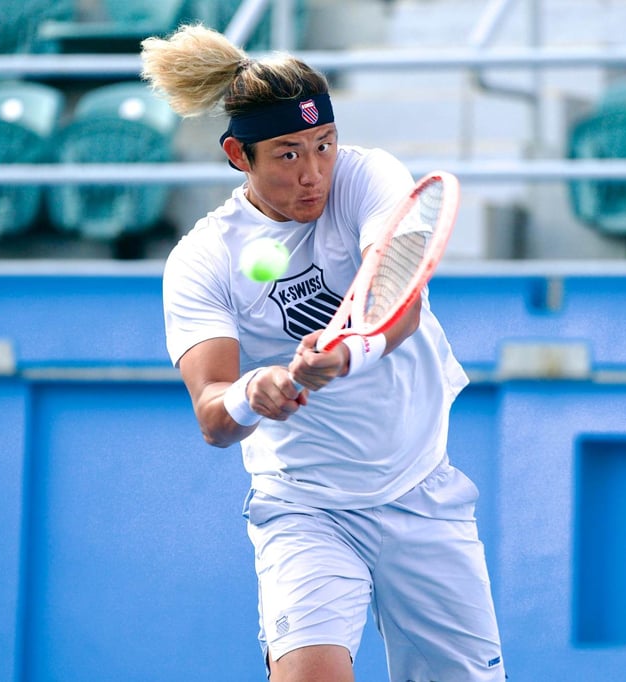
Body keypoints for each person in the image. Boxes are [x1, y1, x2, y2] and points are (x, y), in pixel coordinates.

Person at [141, 24, 505, 682]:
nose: (313, 173)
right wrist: (254, 393)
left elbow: (398, 299)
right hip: (303, 504)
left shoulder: (367, 176)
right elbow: (212, 414)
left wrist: (346, 354)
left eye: (323, 145)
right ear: (236, 155)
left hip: (419, 483)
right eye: (286, 154)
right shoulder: (201, 260)